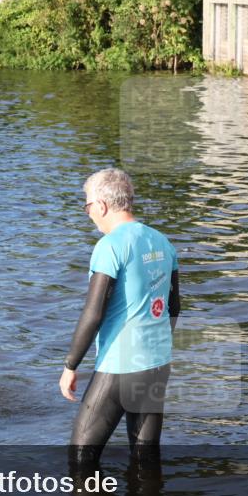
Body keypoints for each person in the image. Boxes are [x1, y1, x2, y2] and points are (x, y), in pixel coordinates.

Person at [59, 168, 180, 466]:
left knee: (80, 459)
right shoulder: (162, 241)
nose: (88, 212)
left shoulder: (109, 246)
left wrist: (70, 365)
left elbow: (93, 313)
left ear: (101, 205)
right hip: (157, 361)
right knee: (145, 457)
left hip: (120, 364)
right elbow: (173, 307)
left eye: (87, 205)